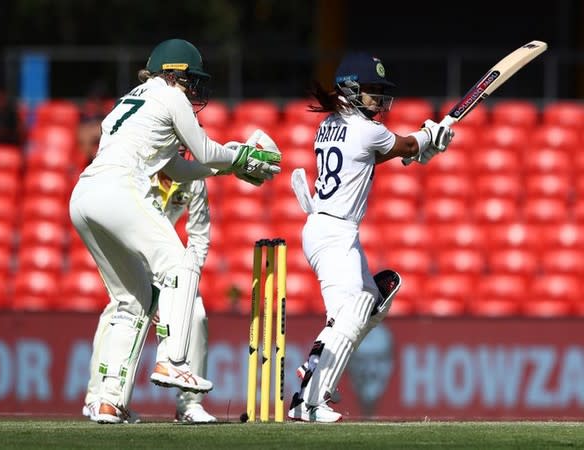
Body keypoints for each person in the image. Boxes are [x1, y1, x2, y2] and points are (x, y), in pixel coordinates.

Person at [69, 38, 281, 424]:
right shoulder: (170, 95)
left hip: (83, 197)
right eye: (191, 80)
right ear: (175, 73)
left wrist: (227, 166)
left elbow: (177, 168)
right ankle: (172, 360)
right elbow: (202, 149)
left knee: (132, 299)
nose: (194, 90)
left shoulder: (132, 100)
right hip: (119, 186)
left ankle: (108, 402)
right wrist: (240, 157)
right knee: (180, 264)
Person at [288, 52, 454, 422]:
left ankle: (313, 381)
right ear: (350, 90)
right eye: (371, 92)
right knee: (350, 314)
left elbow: (368, 157)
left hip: (326, 227)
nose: (378, 100)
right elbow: (404, 146)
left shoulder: (331, 124)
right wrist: (431, 136)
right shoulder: (367, 129)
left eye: (380, 92)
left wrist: (418, 149)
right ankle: (311, 399)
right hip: (335, 232)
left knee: (371, 305)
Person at [82, 168, 216, 423]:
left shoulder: (193, 177)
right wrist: (146, 286)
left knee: (195, 314)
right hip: (132, 259)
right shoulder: (138, 171)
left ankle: (189, 405)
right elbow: (118, 228)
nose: (182, 154)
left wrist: (182, 286)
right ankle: (98, 398)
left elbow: (199, 239)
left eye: (186, 148)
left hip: (170, 265)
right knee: (119, 309)